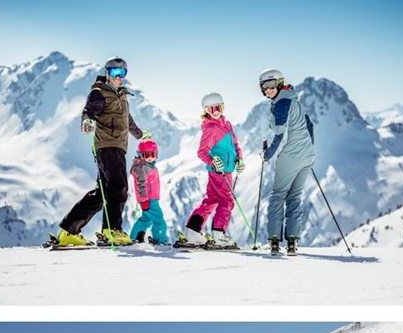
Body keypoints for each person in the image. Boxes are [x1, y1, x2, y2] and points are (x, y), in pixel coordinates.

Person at [55, 57, 149, 247]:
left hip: (117, 147)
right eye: (114, 72)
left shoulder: (121, 95)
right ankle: (112, 230)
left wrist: (140, 135)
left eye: (122, 73)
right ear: (107, 73)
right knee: (118, 187)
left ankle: (68, 231)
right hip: (108, 146)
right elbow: (89, 112)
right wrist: (87, 122)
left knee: (102, 194)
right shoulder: (99, 92)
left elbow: (127, 120)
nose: (118, 77)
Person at [258, 68, 315, 255]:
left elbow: (281, 136)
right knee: (294, 197)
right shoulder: (295, 101)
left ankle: (274, 241)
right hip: (307, 155)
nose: (268, 89)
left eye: (271, 84)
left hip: (290, 155)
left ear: (280, 83)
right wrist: (307, 148)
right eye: (264, 86)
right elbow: (309, 125)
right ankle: (292, 242)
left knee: (278, 195)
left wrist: (268, 154)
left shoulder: (282, 104)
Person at [182, 92, 244, 249]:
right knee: (227, 201)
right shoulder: (210, 128)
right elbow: (202, 152)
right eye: (211, 109)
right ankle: (219, 235)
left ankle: (193, 231)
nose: (215, 111)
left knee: (212, 199)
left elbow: (235, 145)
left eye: (219, 107)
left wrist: (239, 159)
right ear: (206, 111)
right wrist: (213, 162)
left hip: (226, 169)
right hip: (220, 171)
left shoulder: (226, 125)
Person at [127, 139, 169, 245]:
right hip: (149, 199)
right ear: (140, 155)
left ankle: (135, 237)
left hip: (150, 198)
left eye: (153, 154)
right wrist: (144, 200)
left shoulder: (148, 166)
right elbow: (141, 184)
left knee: (146, 219)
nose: (150, 158)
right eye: (147, 155)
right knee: (159, 219)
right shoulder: (142, 168)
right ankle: (160, 240)